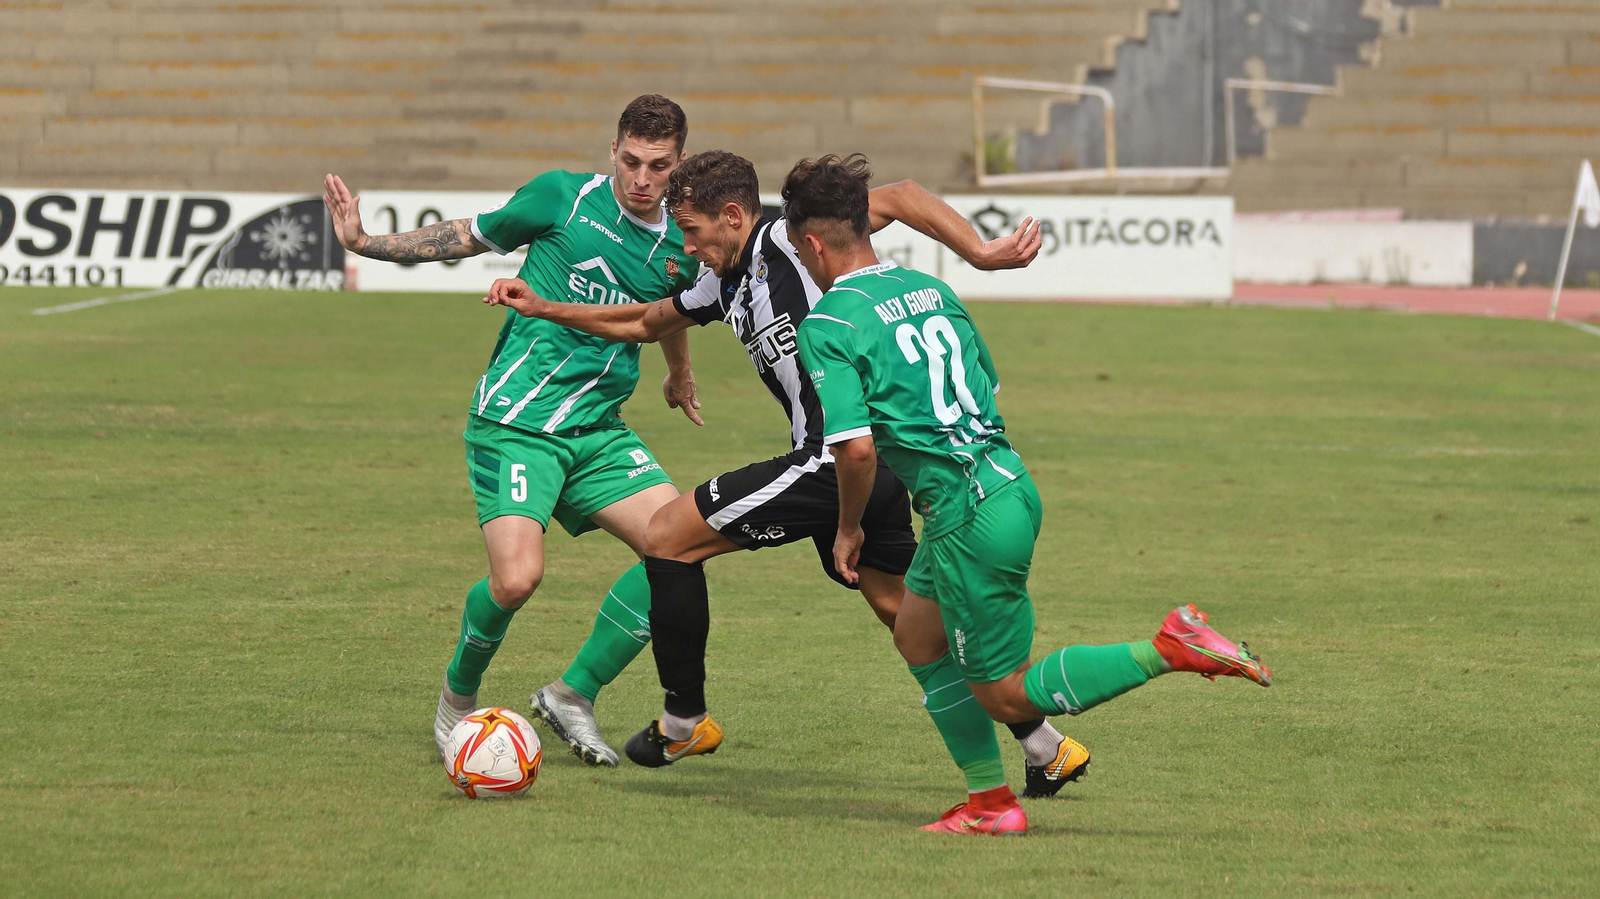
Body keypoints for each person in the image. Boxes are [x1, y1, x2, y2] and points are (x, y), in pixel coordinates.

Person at [484, 150, 1092, 797]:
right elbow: (645, 319)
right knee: (907, 619)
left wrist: (981, 253)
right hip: (867, 466)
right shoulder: (719, 282)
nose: (685, 246)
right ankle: (1044, 744)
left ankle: (684, 716)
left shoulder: (784, 237)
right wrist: (545, 307)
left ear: (734, 215)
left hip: (834, 458)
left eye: (691, 230)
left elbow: (905, 191)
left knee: (666, 536)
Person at [788, 154, 1272, 835]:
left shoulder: (829, 324)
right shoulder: (929, 289)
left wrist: (847, 527)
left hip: (965, 514)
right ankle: (988, 800)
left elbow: (857, 449)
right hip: (1007, 482)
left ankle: (1170, 646)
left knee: (1002, 690)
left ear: (811, 242)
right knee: (916, 634)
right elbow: (990, 385)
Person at [321, 94, 706, 762]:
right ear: (613, 150)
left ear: (679, 165)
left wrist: (679, 372)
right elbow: (464, 234)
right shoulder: (563, 198)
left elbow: (668, 311)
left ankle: (572, 694)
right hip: (516, 422)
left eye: (660, 166)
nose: (643, 178)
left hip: (599, 431)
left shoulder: (685, 239)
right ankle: (457, 701)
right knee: (517, 579)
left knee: (679, 551)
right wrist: (365, 243)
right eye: (633, 161)